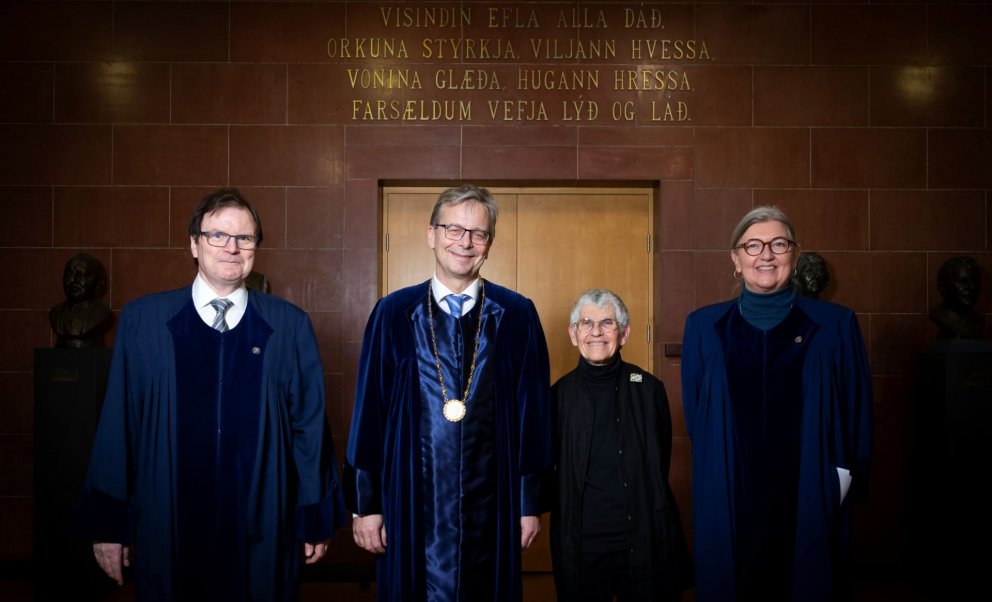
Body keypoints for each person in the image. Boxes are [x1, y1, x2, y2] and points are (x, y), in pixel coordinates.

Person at [77, 188, 348, 601]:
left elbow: (308, 430)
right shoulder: (144, 321)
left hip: (262, 524)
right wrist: (110, 525)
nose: (232, 248)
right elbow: (119, 426)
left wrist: (314, 517)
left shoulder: (289, 326)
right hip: (167, 521)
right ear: (194, 243)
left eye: (245, 238)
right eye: (218, 235)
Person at [344, 184, 552, 601]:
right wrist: (367, 504)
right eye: (453, 229)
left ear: (489, 245)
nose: (465, 242)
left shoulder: (516, 314)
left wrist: (528, 503)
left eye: (478, 233)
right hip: (409, 495)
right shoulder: (393, 313)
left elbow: (535, 415)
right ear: (431, 235)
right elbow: (370, 411)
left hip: (493, 498)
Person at [680, 206, 873, 602]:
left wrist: (844, 479)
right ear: (736, 259)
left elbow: (857, 411)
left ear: (795, 254)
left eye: (778, 244)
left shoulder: (835, 325)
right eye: (753, 245)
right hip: (730, 487)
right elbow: (697, 415)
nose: (765, 255)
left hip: (811, 488)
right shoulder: (703, 327)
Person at [548, 289, 692, 602]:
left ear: (624, 333)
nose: (596, 332)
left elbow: (659, 462)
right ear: (574, 334)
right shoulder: (557, 396)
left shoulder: (650, 390)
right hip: (582, 543)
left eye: (607, 323)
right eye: (586, 322)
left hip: (643, 538)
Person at [49, 252, 113, 348]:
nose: (74, 280)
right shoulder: (55, 313)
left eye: (82, 275)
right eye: (70, 274)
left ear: (99, 283)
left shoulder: (101, 312)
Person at [929, 255, 983, 339]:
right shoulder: (940, 317)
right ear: (943, 287)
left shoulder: (977, 321)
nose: (972, 287)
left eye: (974, 281)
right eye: (963, 282)